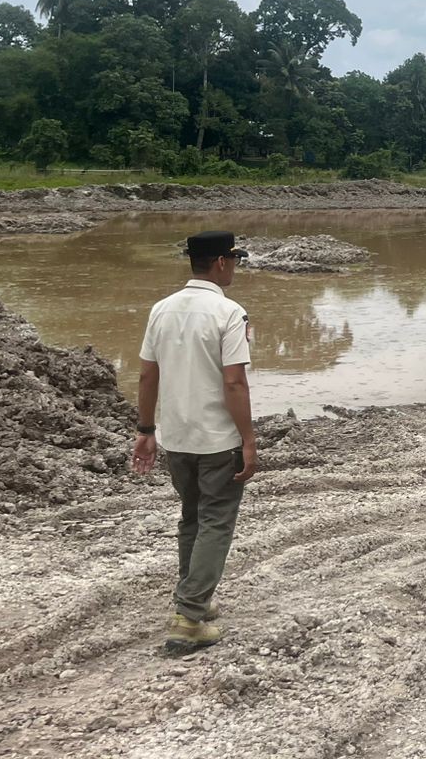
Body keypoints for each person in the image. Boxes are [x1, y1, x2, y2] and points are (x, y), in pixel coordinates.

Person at [130, 230, 257, 651]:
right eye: (234, 259)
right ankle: (189, 617)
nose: (235, 266)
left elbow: (148, 375)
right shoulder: (229, 313)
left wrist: (146, 430)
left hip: (178, 437)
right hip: (218, 438)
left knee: (192, 518)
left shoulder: (161, 310)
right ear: (221, 262)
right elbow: (235, 383)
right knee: (217, 522)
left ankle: (195, 598)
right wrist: (249, 440)